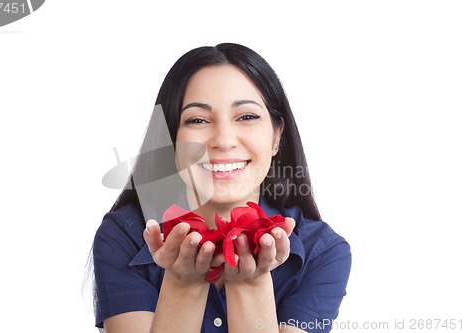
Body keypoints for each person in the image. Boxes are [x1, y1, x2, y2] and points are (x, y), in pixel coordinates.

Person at [91, 43, 352, 333]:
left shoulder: (323, 252)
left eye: (247, 117)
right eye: (198, 120)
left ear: (277, 135)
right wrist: (183, 283)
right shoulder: (124, 235)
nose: (224, 140)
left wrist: (249, 281)